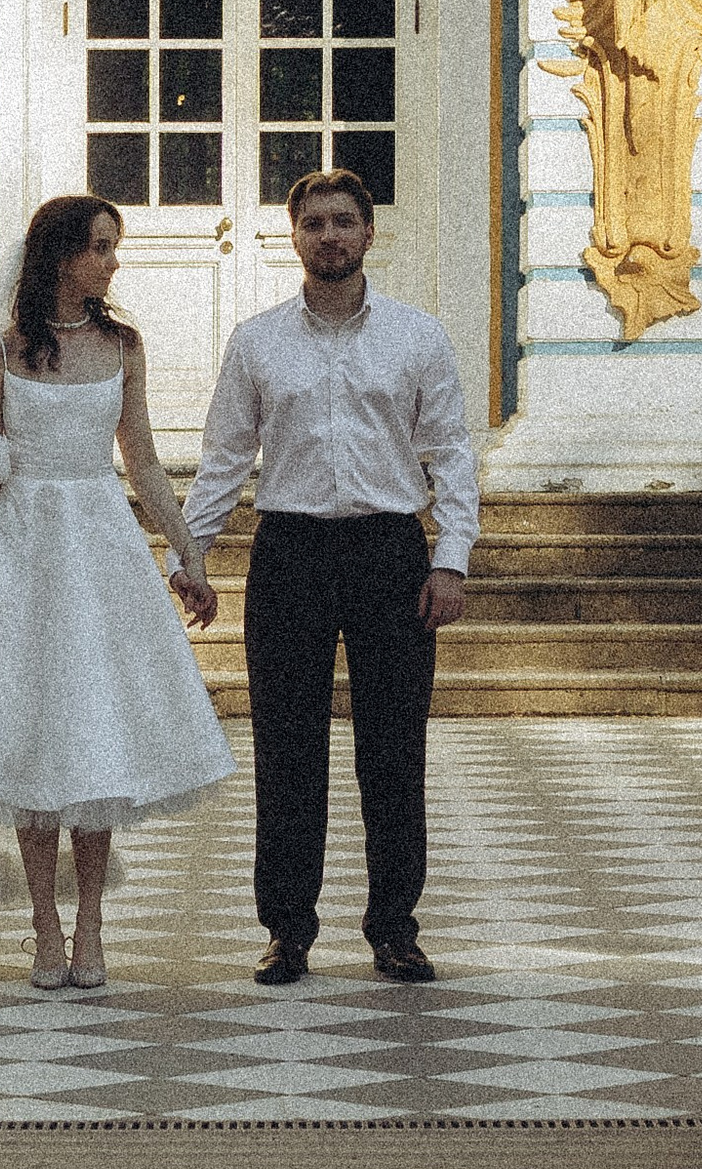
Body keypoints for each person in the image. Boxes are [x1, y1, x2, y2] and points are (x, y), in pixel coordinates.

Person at [0, 195, 233, 989]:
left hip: (100, 551)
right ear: (60, 255)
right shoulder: (3, 354)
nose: (112, 260)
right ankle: (43, 928)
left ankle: (92, 925)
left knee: (92, 736)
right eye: (99, 246)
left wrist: (189, 552)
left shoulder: (124, 346)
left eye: (114, 246)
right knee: (34, 740)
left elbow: (143, 462)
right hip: (22, 557)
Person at [181, 169, 479, 986]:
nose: (330, 237)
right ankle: (288, 931)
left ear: (369, 232)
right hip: (291, 554)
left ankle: (395, 928)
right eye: (314, 223)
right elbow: (225, 457)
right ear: (296, 235)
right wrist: (190, 553)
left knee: (393, 750)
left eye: (344, 222)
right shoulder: (257, 340)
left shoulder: (418, 338)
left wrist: (449, 558)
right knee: (286, 750)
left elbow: (451, 455)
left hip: (390, 553)